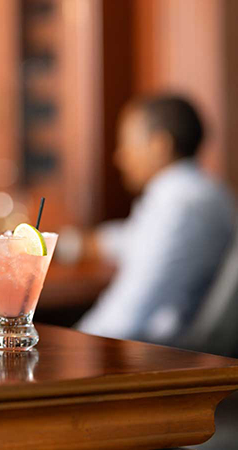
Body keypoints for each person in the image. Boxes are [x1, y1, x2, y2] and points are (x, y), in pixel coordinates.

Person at [75, 95, 236, 344]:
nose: (119, 156)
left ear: (160, 145)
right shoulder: (206, 190)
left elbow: (128, 312)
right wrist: (73, 244)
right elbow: (136, 238)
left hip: (171, 355)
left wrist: (71, 343)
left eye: (128, 144)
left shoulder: (178, 204)